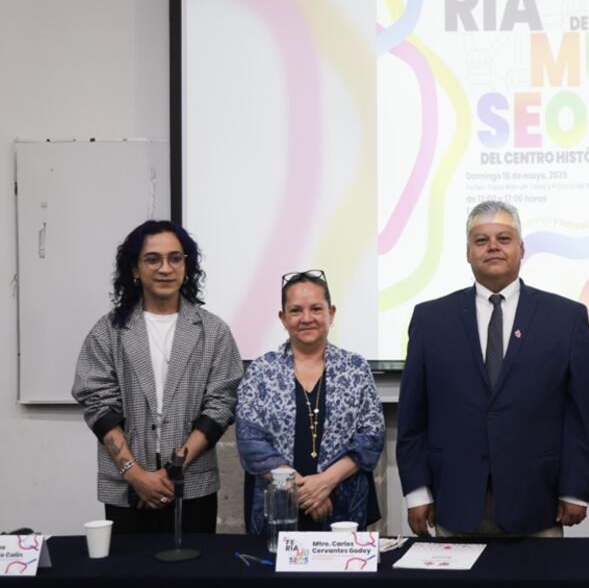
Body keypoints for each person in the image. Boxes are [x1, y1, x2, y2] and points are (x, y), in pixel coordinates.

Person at [397, 200, 589, 537]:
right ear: (467, 252)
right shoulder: (430, 319)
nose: (493, 247)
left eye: (503, 239)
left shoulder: (566, 318)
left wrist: (574, 489)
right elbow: (413, 416)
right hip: (454, 501)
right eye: (481, 240)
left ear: (521, 249)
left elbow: (581, 414)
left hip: (538, 502)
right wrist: (417, 491)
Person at [72, 220, 243, 533]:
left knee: (193, 576)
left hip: (193, 486)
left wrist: (172, 471)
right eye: (153, 259)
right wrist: (136, 474)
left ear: (186, 267)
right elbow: (98, 405)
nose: (165, 268)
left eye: (175, 258)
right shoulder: (108, 331)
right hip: (126, 487)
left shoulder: (214, 332)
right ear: (135, 269)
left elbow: (221, 405)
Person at [236, 270, 384, 533]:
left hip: (343, 510)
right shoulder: (261, 370)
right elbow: (251, 443)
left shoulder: (355, 368)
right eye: (295, 311)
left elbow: (371, 436)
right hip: (279, 510)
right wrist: (304, 491)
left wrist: (325, 482)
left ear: (332, 313)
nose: (306, 318)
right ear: (283, 318)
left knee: (340, 574)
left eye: (316, 308)